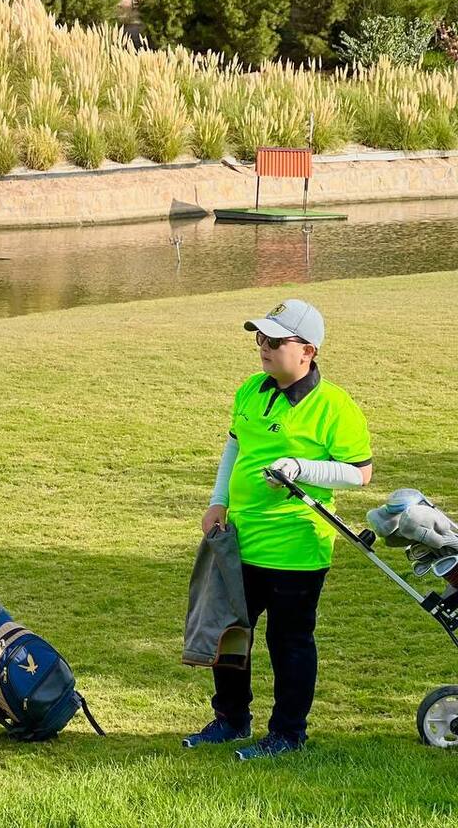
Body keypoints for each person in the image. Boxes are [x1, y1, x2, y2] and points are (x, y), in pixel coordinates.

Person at [183, 299, 372, 759]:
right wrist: (217, 501)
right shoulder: (250, 388)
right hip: (239, 540)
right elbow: (234, 448)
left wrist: (302, 468)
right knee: (230, 630)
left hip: (296, 547)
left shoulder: (335, 406)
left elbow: (360, 472)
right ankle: (231, 719)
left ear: (307, 350)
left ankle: (288, 733)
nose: (262, 348)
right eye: (259, 338)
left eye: (274, 341)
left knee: (288, 641)